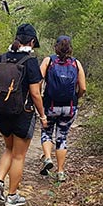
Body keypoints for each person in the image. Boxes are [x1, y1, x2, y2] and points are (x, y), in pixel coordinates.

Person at [0, 23, 47, 206]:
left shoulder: (1, 57)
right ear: (31, 41)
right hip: (23, 113)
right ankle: (12, 196)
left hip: (2, 112)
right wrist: (43, 116)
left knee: (8, 149)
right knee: (19, 155)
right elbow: (36, 93)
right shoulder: (30, 61)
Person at [39, 35, 86, 182]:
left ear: (56, 47)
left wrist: (40, 99)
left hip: (50, 105)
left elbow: (38, 82)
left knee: (46, 132)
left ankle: (47, 158)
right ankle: (60, 172)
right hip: (69, 107)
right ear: (70, 48)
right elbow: (83, 88)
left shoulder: (49, 60)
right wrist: (75, 97)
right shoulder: (76, 63)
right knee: (62, 137)